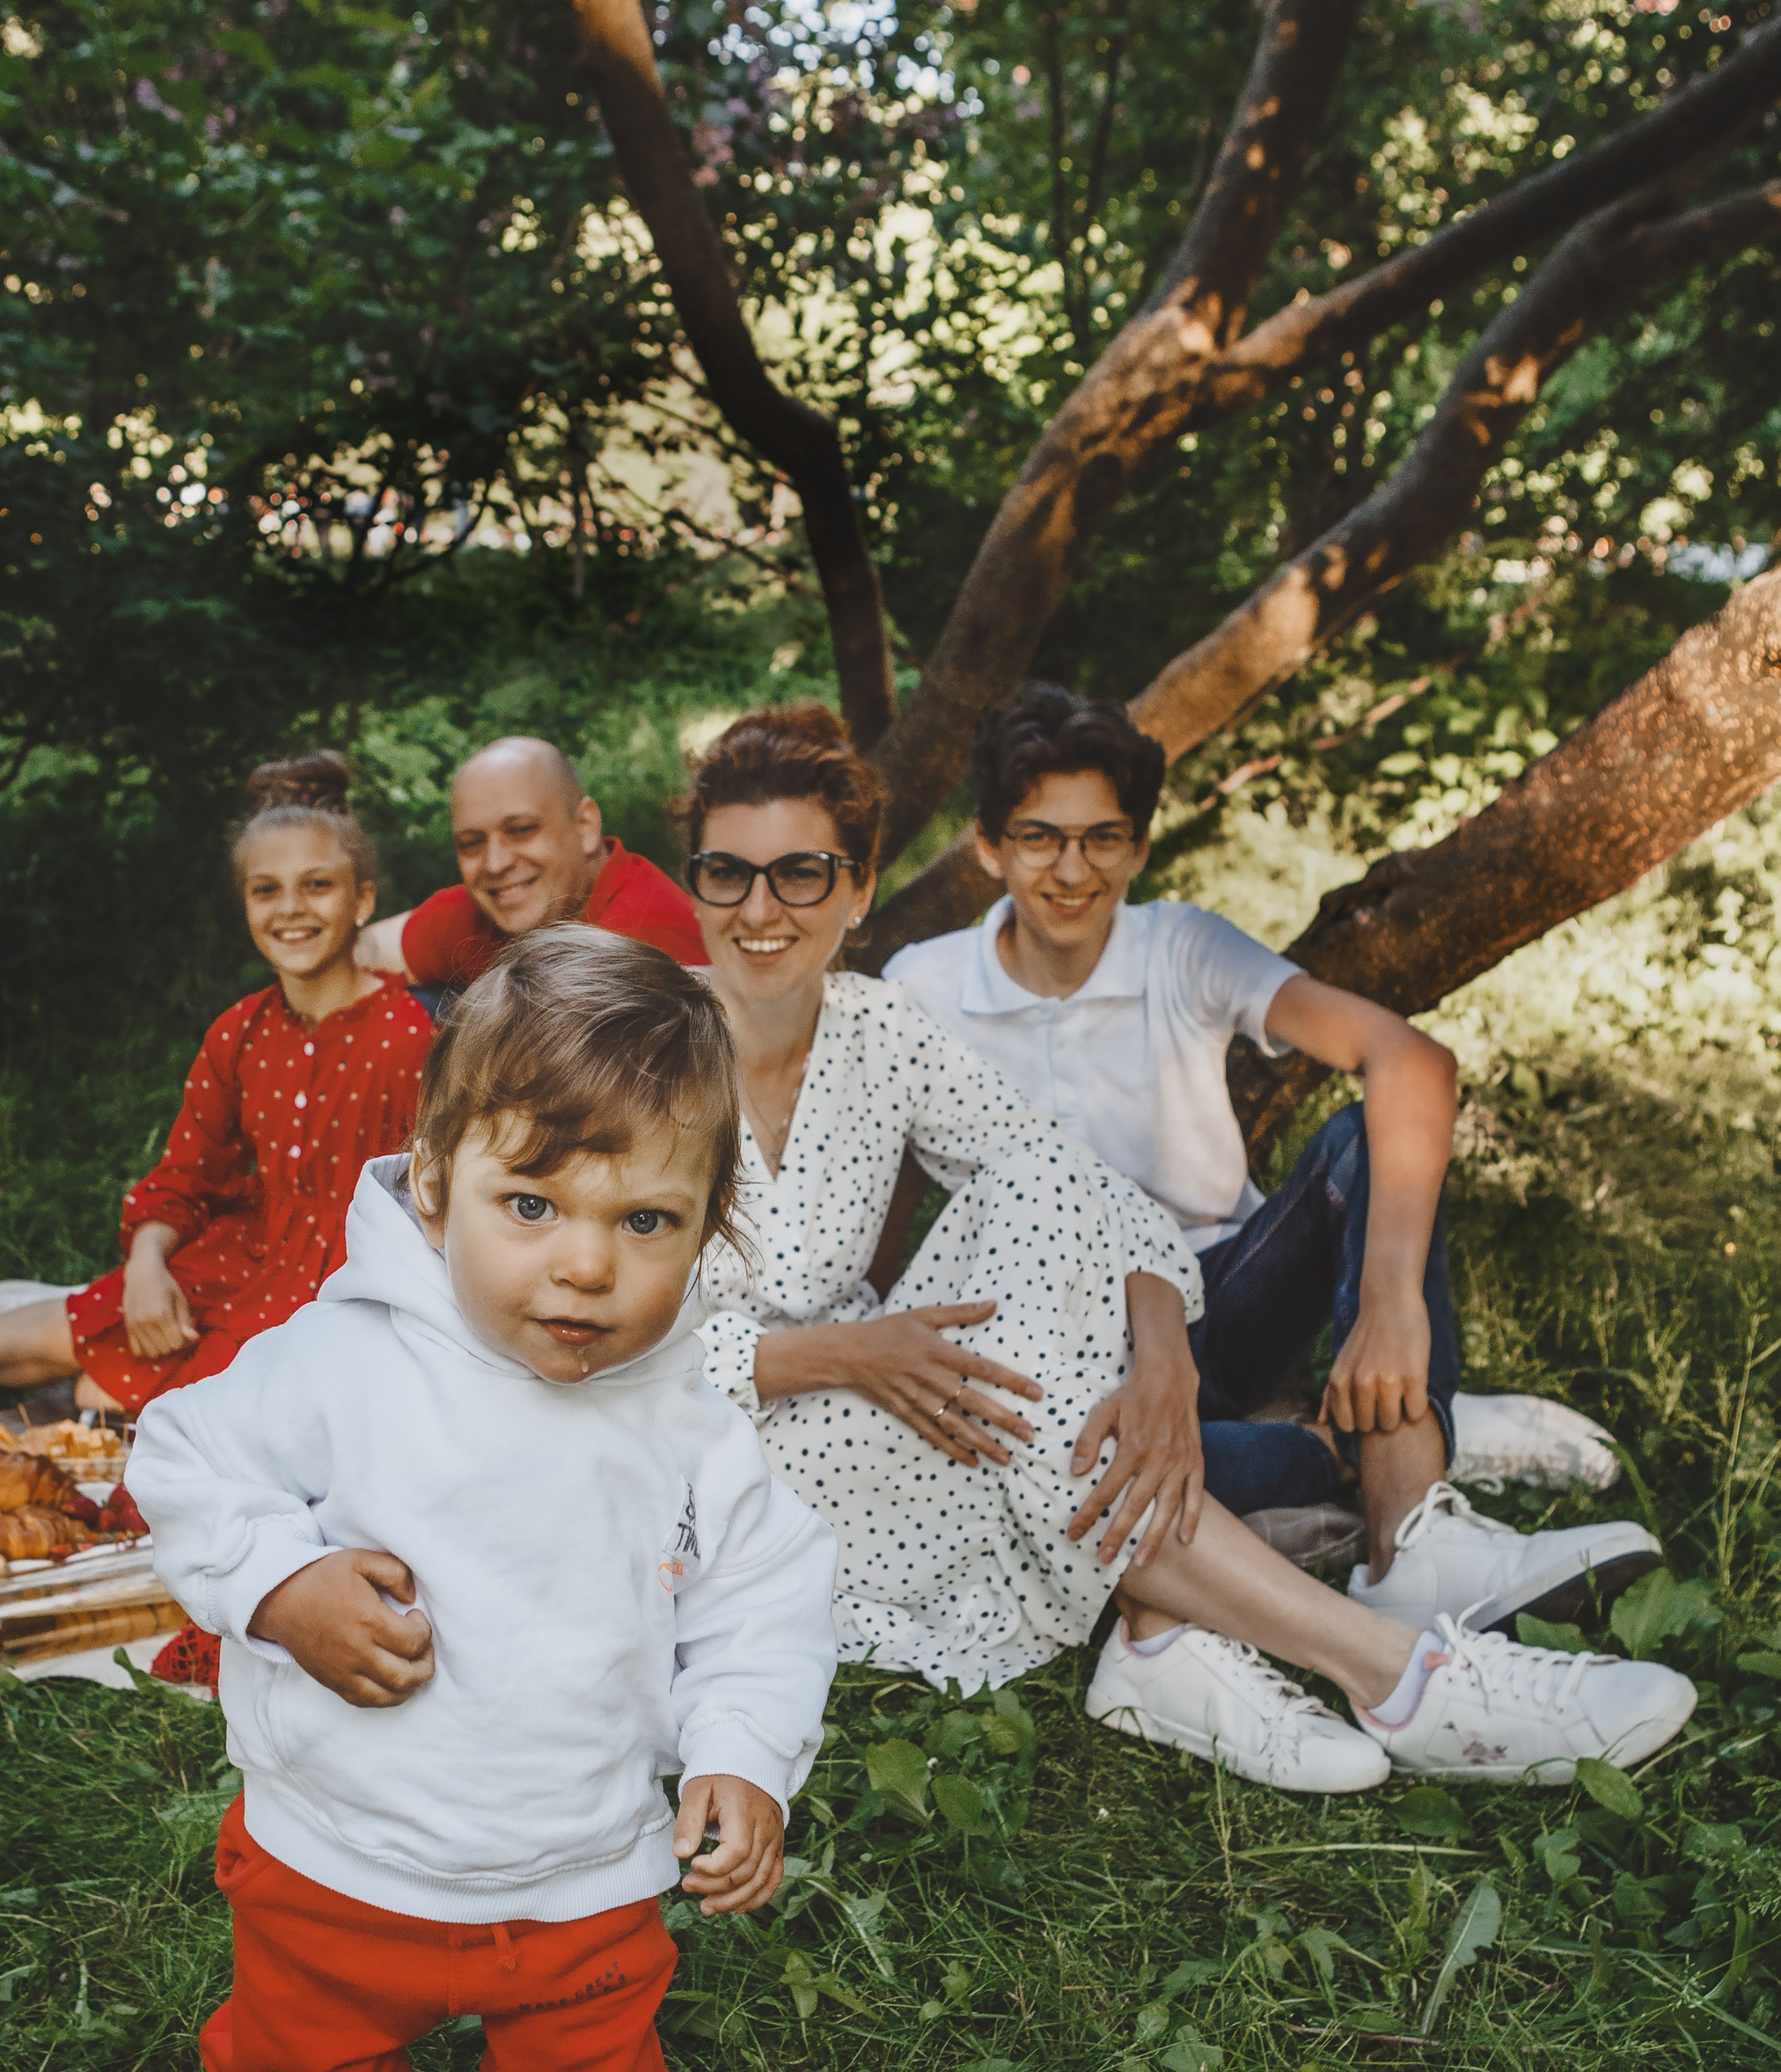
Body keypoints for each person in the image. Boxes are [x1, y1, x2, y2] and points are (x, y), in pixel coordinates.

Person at [681, 702, 1697, 1791]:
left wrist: (1163, 1360)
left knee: (1032, 1192)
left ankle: (1180, 1629)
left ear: (856, 889)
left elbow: (1067, 1180)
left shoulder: (877, 1023)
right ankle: (1399, 1675)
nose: (759, 909)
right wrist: (842, 1354)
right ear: (690, 882)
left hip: (925, 1400)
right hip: (723, 1454)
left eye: (799, 874)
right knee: (1054, 1422)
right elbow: (568, 1344)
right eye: (725, 875)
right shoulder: (638, 1049)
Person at [128, 928, 837, 2072]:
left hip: (576, 1876)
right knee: (293, 2062)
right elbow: (183, 1462)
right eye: (533, 1204)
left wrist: (741, 1750)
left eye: (644, 1219)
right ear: (437, 1183)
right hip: (339, 1852)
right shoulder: (344, 1358)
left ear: (710, 1230)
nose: (584, 1263)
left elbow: (765, 1593)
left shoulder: (688, 1420)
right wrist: (277, 1586)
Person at [883, 682, 1659, 1634]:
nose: (1071, 869)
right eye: (1040, 836)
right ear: (989, 845)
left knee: (1355, 1141)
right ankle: (1337, 1454)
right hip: (1059, 1357)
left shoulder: (1179, 948)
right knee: (1075, 1480)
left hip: (1224, 1302)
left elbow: (1407, 1058)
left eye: (1103, 838)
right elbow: (886, 1200)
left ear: (1139, 846)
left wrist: (1388, 1306)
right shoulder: (921, 988)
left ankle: (1410, 1535)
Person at [0, 754, 432, 1418]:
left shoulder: (409, 1038)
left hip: (340, 1293)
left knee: (152, 1398)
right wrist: (146, 1265)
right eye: (265, 889)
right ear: (243, 902)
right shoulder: (239, 1032)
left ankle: (66, 1365)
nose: (291, 910)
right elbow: (187, 1174)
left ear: (363, 898)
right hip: (246, 1258)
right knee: (104, 1320)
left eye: (318, 886)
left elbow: (435, 1204)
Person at [359, 733, 703, 992]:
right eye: (471, 844)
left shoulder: (645, 941)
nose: (495, 864)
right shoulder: (495, 911)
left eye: (521, 830)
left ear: (585, 826)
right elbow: (353, 953)